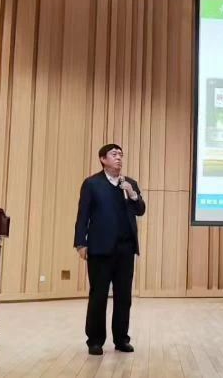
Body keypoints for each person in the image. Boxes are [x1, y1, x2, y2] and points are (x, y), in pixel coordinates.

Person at [74, 144, 146, 356]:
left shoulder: (129, 183)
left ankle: (121, 339)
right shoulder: (92, 184)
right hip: (100, 249)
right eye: (114, 155)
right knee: (98, 296)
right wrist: (81, 243)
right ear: (103, 159)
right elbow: (83, 215)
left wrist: (132, 194)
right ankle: (95, 341)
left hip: (126, 248)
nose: (119, 158)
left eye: (121, 155)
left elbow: (140, 210)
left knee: (124, 297)